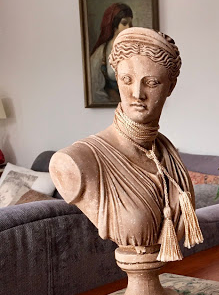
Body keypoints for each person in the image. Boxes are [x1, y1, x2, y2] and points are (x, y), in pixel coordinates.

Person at [50, 27, 203, 263]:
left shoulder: (167, 154)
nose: (137, 93)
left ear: (170, 87)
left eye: (151, 82)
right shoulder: (75, 161)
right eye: (126, 80)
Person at [89, 3, 133, 104]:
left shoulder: (135, 48)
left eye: (130, 23)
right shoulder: (101, 52)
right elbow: (95, 90)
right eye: (124, 23)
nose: (129, 27)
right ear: (114, 25)